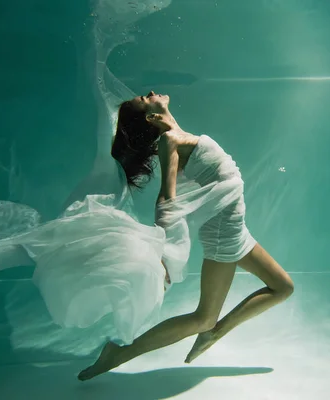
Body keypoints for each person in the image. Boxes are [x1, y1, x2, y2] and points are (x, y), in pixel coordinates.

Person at [77, 91, 295, 381]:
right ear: (150, 117)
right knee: (204, 317)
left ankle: (213, 332)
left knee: (282, 287)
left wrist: (162, 119)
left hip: (235, 230)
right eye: (142, 100)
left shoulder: (174, 134)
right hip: (224, 236)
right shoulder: (170, 141)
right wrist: (164, 252)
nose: (147, 93)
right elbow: (167, 201)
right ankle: (121, 354)